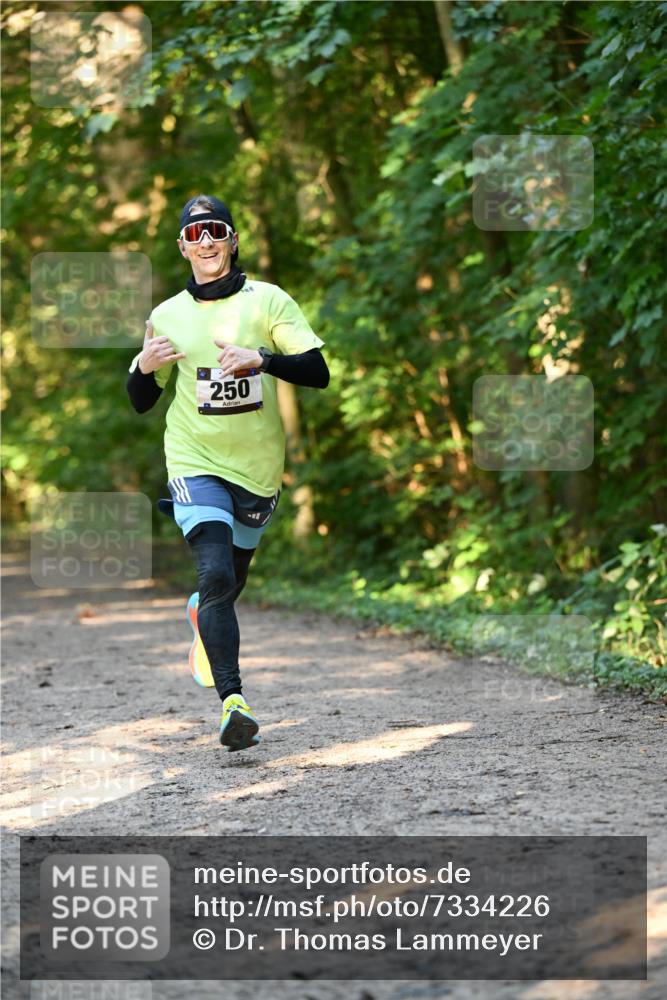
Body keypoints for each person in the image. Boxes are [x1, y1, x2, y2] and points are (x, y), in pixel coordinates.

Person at [126, 194, 329, 751]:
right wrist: (144, 368)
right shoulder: (166, 315)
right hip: (194, 460)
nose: (206, 241)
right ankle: (233, 703)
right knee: (214, 575)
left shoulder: (268, 301)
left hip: (258, 471)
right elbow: (142, 400)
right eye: (195, 234)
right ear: (182, 247)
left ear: (233, 239)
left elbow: (318, 371)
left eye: (215, 230)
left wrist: (261, 360)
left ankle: (202, 617)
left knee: (228, 584)